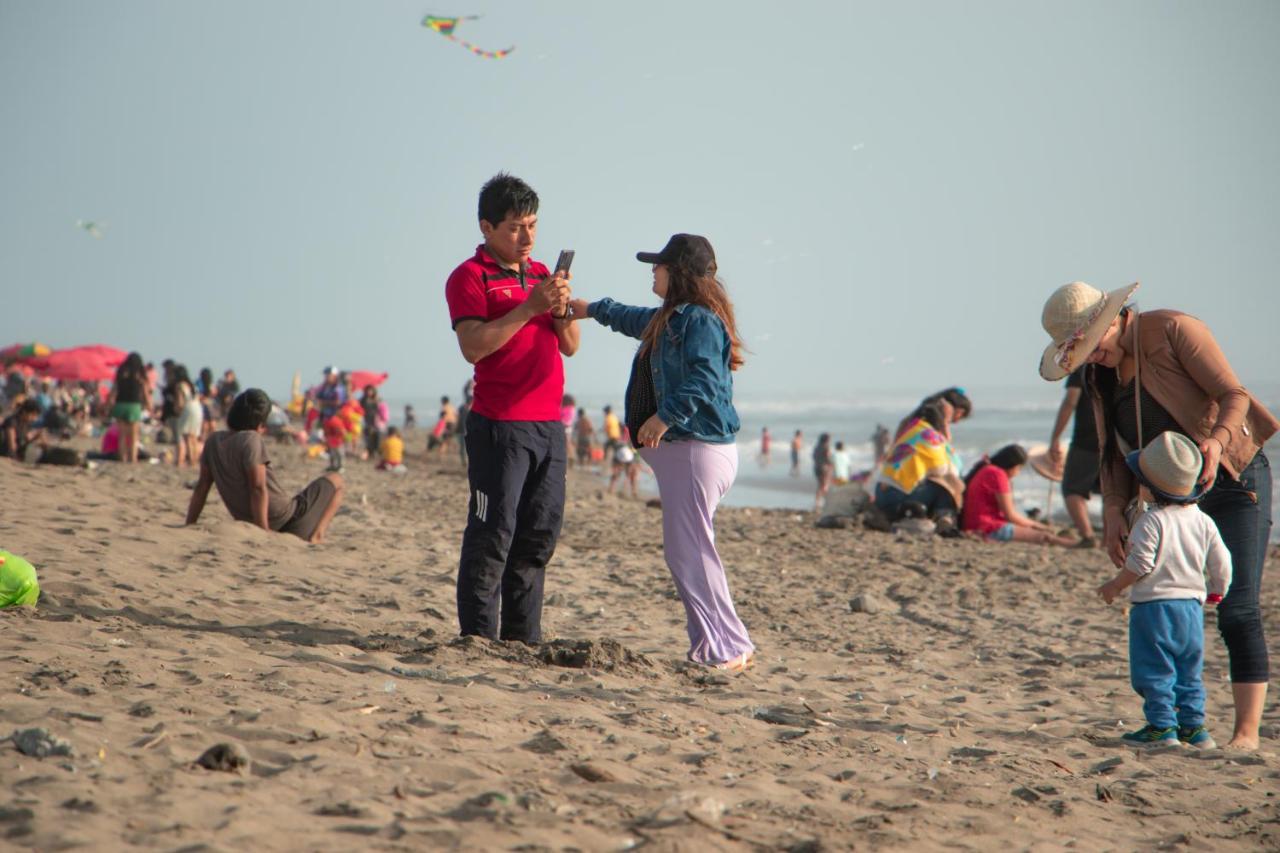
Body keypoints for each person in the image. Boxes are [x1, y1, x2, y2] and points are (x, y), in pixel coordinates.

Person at [1039, 280, 1277, 749]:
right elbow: (1113, 450)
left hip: (1232, 479)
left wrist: (1216, 441)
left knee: (1238, 607)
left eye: (1091, 345)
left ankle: (1246, 734)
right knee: (1169, 606)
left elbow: (1235, 394)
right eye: (1079, 352)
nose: (1090, 357)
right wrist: (1112, 511)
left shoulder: (1171, 329)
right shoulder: (1099, 374)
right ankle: (1182, 723)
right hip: (1169, 496)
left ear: (1112, 318)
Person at [570, 232, 754, 671]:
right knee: (687, 551)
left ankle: (728, 647)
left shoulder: (699, 321)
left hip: (696, 450)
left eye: (659, 265)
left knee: (690, 552)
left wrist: (663, 417)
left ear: (679, 273)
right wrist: (590, 309)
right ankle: (717, 645)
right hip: (691, 453)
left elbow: (705, 380)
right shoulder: (672, 319)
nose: (652, 270)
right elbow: (632, 318)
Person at [445, 172, 578, 643]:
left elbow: (571, 347)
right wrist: (526, 308)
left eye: (533, 226)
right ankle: (478, 639)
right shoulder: (469, 276)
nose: (527, 237)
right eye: (516, 227)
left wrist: (558, 308)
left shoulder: (542, 274)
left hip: (547, 426)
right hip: (499, 426)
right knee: (492, 533)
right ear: (487, 228)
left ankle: (524, 639)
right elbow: (473, 347)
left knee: (538, 536)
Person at [1097, 432, 1232, 747]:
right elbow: (1222, 562)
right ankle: (1194, 728)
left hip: (1154, 608)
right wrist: (1217, 590)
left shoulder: (1152, 521)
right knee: (1188, 670)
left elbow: (1141, 564)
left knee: (1154, 669)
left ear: (1147, 486)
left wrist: (1114, 586)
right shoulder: (1203, 521)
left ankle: (1161, 727)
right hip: (1191, 608)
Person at [188, 390, 344, 543]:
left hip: (251, 519)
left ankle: (309, 534)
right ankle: (317, 536)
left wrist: (190, 523)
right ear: (260, 423)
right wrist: (263, 533)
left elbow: (202, 487)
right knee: (337, 480)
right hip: (288, 520)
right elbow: (257, 488)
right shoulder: (251, 439)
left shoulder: (213, 441)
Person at [872, 401, 963, 534]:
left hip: (881, 496)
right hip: (897, 498)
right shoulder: (930, 436)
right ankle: (945, 519)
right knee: (944, 488)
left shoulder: (908, 433)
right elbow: (944, 469)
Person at [961, 444, 1075, 545]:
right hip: (988, 527)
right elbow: (1010, 515)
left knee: (1037, 532)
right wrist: (1038, 525)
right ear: (1014, 465)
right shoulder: (998, 474)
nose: (1018, 472)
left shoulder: (987, 469)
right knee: (1044, 536)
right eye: (1019, 468)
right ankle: (1073, 545)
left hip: (974, 524)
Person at [1049, 367, 1101, 547]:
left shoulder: (1083, 367)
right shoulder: (1118, 360)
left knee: (1072, 489)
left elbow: (1070, 401)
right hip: (1116, 438)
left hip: (1086, 439)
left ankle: (1088, 536)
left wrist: (1055, 437)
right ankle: (1112, 538)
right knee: (1112, 491)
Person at [107, 352, 149, 463]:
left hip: (120, 404)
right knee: (134, 435)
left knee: (122, 435)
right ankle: (133, 458)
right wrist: (149, 405)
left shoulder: (121, 373)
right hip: (134, 405)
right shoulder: (140, 375)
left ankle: (123, 458)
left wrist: (108, 404)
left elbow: (113, 391)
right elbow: (145, 393)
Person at [173, 365, 204, 468]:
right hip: (198, 407)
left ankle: (190, 460)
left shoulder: (180, 385)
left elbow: (180, 402)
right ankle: (194, 460)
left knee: (187, 436)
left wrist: (177, 410)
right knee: (194, 436)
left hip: (188, 408)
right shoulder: (192, 385)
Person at [608, 428, 640, 497]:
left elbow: (615, 448)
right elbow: (636, 453)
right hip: (628, 455)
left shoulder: (620, 437)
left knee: (617, 473)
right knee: (632, 474)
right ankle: (633, 491)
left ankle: (611, 488)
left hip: (621, 454)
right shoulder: (634, 436)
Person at [361, 385, 388, 457]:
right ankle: (370, 451)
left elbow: (382, 409)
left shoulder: (378, 400)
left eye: (370, 391)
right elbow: (360, 409)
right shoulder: (363, 400)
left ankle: (377, 451)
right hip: (368, 421)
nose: (369, 392)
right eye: (367, 391)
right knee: (368, 437)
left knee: (378, 436)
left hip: (377, 421)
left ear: (374, 391)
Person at [812, 433, 834, 510]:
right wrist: (832, 464)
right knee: (825, 485)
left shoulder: (816, 447)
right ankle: (827, 501)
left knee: (820, 485)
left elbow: (814, 457)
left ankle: (817, 502)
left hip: (816, 467)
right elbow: (828, 458)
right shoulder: (826, 447)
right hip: (824, 468)